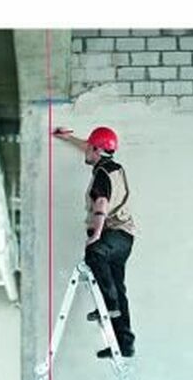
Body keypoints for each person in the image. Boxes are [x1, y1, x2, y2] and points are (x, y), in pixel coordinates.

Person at [52, 124, 136, 358]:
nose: (86, 151)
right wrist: (68, 139)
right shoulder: (112, 167)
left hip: (114, 233)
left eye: (89, 148)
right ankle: (125, 344)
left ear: (97, 150)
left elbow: (101, 204)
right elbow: (89, 146)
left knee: (95, 253)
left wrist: (96, 235)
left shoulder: (102, 174)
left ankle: (108, 306)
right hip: (125, 238)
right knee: (118, 286)